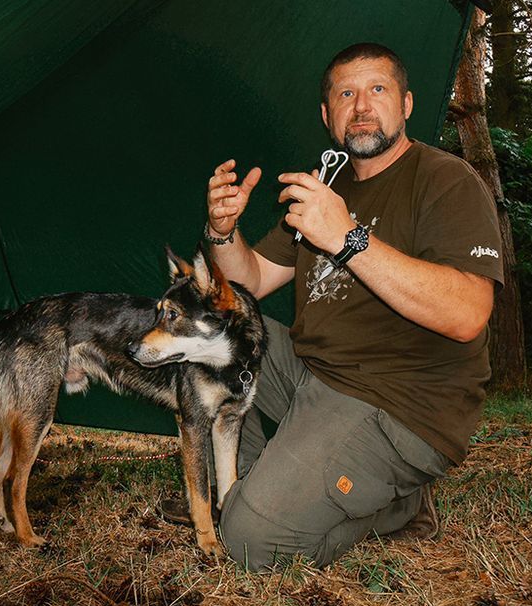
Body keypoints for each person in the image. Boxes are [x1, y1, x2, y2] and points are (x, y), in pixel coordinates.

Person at [197, 41, 503, 571]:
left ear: (406, 104)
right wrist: (221, 230)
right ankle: (243, 491)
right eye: (346, 94)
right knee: (210, 339)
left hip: (398, 401)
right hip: (314, 377)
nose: (361, 106)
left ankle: (399, 507)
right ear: (327, 115)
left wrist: (349, 238)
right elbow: (250, 279)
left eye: (377, 90)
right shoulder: (326, 191)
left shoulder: (446, 180)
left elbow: (467, 314)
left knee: (249, 544)